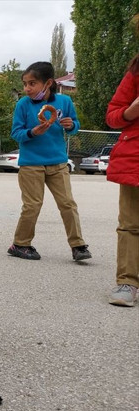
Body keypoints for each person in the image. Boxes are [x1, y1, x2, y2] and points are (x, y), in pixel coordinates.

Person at [8, 61, 91, 262]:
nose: (27, 88)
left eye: (32, 83)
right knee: (32, 205)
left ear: (48, 83)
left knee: (68, 204)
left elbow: (75, 125)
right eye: (25, 84)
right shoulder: (23, 104)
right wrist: (32, 132)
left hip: (58, 163)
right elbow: (16, 133)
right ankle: (20, 244)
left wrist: (71, 125)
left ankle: (78, 246)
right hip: (31, 164)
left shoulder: (64, 102)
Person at [105, 53, 139, 306]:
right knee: (130, 225)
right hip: (134, 158)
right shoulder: (135, 72)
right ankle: (127, 282)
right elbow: (112, 116)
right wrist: (131, 111)